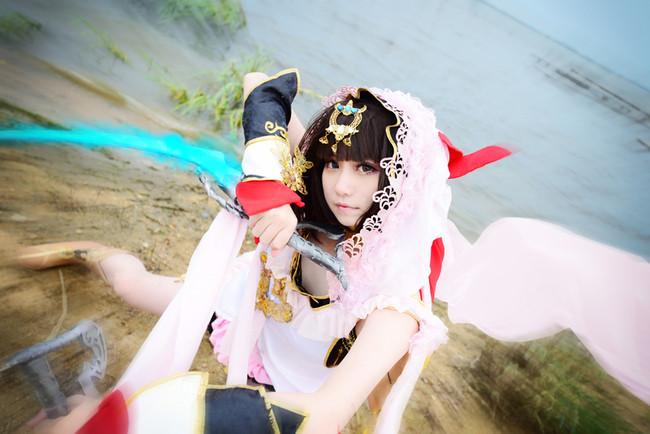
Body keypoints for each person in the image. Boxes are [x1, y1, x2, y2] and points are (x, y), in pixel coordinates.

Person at [17, 69, 650, 433]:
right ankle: (89, 250)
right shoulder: (309, 177)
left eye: (367, 169)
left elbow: (323, 416)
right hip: (251, 313)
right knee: (134, 285)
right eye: (335, 163)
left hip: (295, 388)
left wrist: (156, 419)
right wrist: (270, 188)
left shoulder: (397, 303)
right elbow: (263, 85)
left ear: (394, 181)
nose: (343, 187)